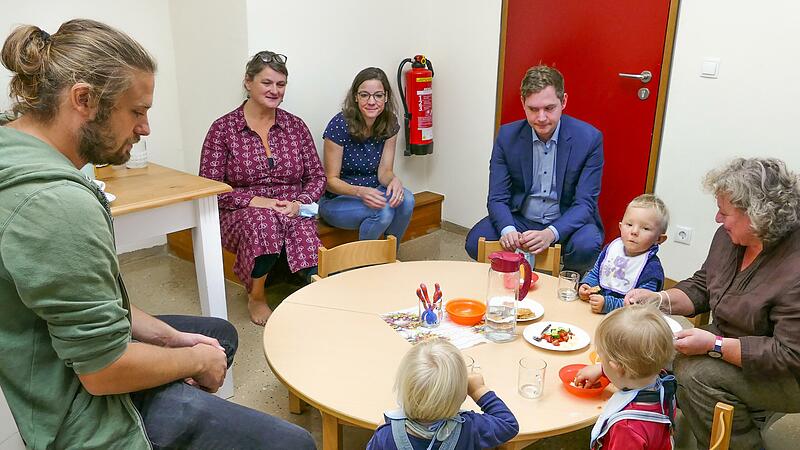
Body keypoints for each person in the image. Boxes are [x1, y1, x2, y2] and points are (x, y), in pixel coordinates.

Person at [0, 20, 314, 449]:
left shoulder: (14, 144)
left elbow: (97, 299)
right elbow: (102, 369)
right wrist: (194, 360)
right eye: (137, 111)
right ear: (84, 100)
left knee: (218, 335)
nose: (145, 128)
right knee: (293, 443)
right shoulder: (55, 204)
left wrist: (172, 342)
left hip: (65, 353)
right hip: (81, 409)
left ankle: (180, 401)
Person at [625, 157, 800, 450]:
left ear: (756, 215)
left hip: (784, 372)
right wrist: (659, 299)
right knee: (646, 339)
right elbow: (703, 285)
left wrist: (714, 346)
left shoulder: (793, 268)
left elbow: (789, 355)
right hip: (726, 340)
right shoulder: (729, 237)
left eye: (724, 212)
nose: (717, 220)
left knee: (695, 374)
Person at [200, 51, 326, 326]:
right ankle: (256, 295)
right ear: (248, 82)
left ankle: (316, 289)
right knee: (264, 221)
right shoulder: (223, 129)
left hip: (291, 206)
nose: (274, 90)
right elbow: (211, 188)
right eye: (267, 83)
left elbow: (317, 176)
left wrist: (299, 202)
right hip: (242, 212)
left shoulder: (295, 126)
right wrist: (258, 201)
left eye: (280, 85)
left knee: (301, 225)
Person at [465, 65, 604, 273]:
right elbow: (497, 197)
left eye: (549, 108)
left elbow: (585, 204)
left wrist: (551, 233)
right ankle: (512, 276)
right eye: (533, 109)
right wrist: (508, 229)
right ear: (523, 104)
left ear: (563, 101)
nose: (541, 118)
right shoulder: (507, 136)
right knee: (475, 241)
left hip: (564, 219)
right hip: (521, 218)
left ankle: (566, 280)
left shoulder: (589, 139)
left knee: (587, 245)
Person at [319, 67, 414, 248]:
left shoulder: (390, 122)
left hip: (374, 191)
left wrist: (394, 180)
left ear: (386, 97)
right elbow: (330, 181)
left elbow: (384, 172)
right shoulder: (339, 125)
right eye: (365, 95)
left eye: (378, 95)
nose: (372, 101)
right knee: (383, 212)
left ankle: (389, 255)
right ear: (355, 97)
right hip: (338, 199)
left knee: (407, 200)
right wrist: (360, 192)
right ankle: (365, 265)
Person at [367, 338, 518, 449]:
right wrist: (479, 390)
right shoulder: (470, 427)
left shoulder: (385, 435)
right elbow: (509, 424)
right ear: (462, 393)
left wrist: (385, 429)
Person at [576, 305, 677, 449]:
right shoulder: (663, 382)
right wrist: (603, 370)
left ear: (617, 367)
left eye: (602, 360)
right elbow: (639, 367)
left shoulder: (627, 428)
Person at [578, 194, 668, 314]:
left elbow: (640, 306)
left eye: (645, 228)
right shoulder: (612, 249)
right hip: (597, 310)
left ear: (659, 239)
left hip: (629, 323)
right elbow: (596, 273)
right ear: (620, 227)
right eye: (629, 225)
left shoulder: (651, 269)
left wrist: (608, 304)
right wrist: (587, 285)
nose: (634, 232)